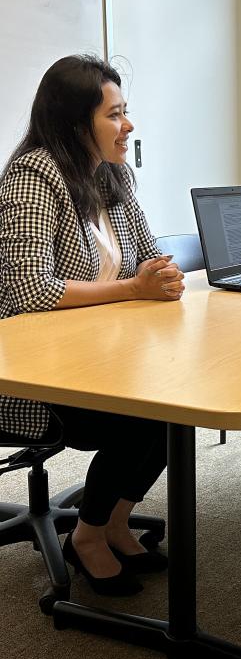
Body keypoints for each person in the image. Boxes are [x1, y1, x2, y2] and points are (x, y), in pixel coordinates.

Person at [0, 54, 185, 595]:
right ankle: (86, 536)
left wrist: (161, 274)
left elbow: (150, 253)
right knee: (142, 417)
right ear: (76, 122)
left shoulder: (112, 176)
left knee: (175, 407)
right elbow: (29, 291)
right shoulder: (32, 177)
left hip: (108, 352)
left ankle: (116, 520)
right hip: (38, 370)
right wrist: (133, 288)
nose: (128, 126)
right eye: (116, 115)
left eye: (126, 112)